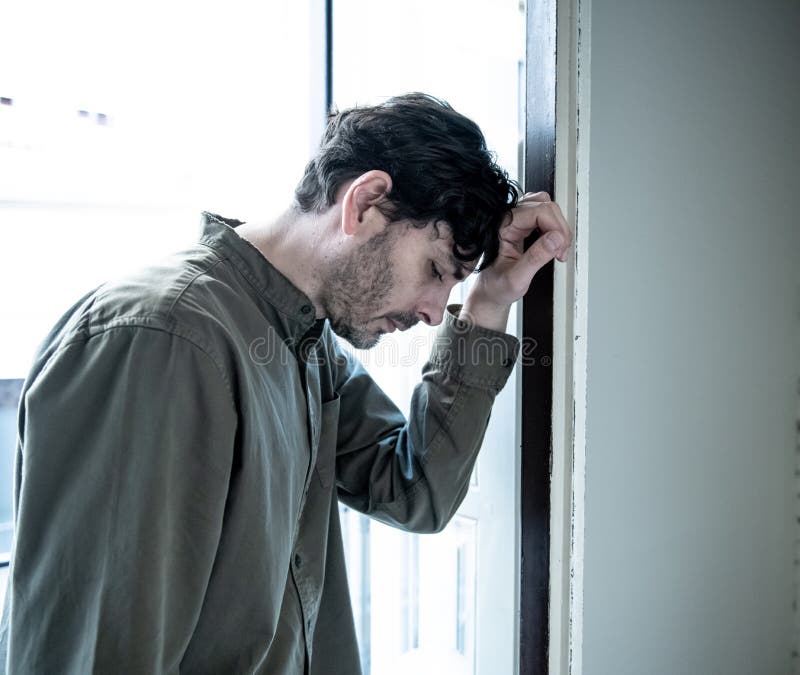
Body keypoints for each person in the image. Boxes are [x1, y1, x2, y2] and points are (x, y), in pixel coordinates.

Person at [0, 93, 571, 674]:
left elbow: (414, 490)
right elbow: (95, 652)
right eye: (434, 271)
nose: (432, 311)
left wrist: (491, 300)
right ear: (365, 203)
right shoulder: (163, 338)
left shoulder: (306, 344)